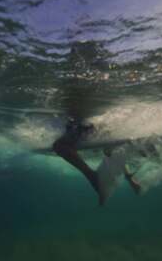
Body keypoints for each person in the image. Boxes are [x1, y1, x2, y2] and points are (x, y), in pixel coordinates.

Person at [52, 41, 142, 206]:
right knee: (108, 145)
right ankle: (127, 179)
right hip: (85, 120)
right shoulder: (86, 74)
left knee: (62, 146)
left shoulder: (86, 75)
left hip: (86, 121)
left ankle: (96, 178)